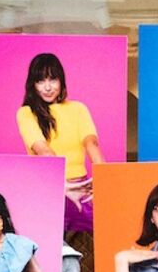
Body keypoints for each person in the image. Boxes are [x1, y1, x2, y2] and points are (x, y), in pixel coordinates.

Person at [16, 52, 103, 230]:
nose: (47, 87)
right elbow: (43, 150)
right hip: (49, 187)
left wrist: (105, 179)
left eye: (52, 80)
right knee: (51, 249)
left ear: (61, 81)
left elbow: (91, 143)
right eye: (41, 81)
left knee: (97, 240)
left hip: (82, 188)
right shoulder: (26, 113)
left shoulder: (78, 109)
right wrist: (61, 186)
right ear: (33, 84)